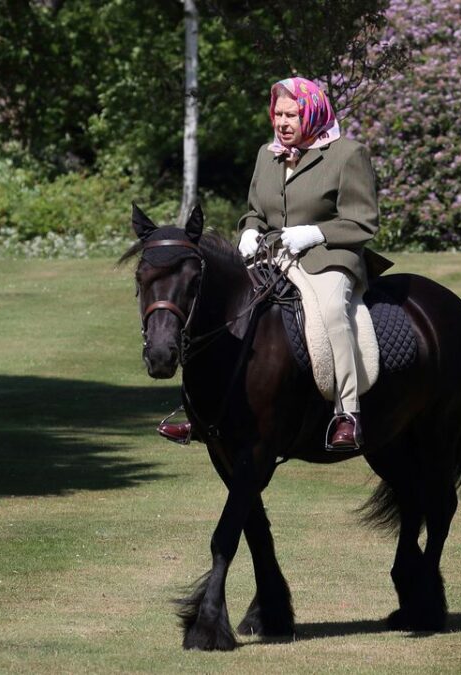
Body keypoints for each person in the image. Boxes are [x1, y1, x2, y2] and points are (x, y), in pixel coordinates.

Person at [158, 77, 387, 450]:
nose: (282, 122)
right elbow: (254, 212)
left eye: (292, 115)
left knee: (331, 312)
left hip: (328, 257)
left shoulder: (348, 154)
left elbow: (363, 221)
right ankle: (200, 412)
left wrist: (315, 233)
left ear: (312, 112)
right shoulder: (268, 154)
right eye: (278, 114)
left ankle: (347, 413)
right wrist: (248, 231)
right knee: (217, 306)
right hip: (271, 257)